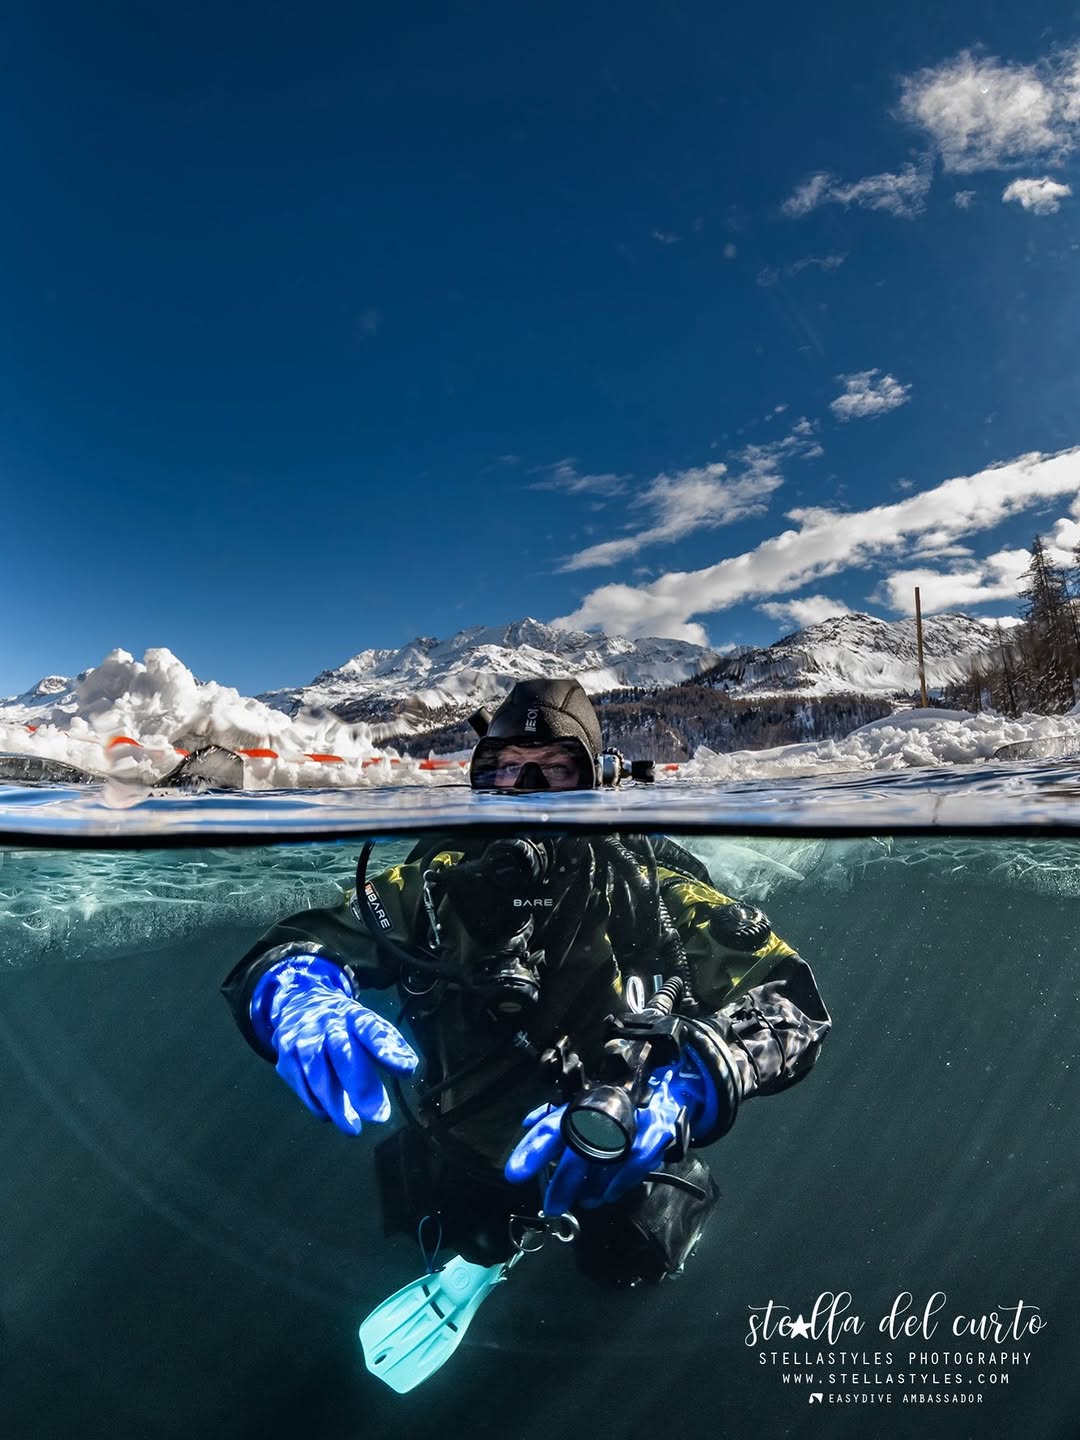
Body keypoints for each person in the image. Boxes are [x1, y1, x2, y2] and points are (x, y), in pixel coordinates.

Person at [222, 678, 831, 1391]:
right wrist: (294, 991)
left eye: (556, 771)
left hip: (614, 1151)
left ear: (598, 782)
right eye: (506, 769)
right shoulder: (437, 886)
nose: (528, 794)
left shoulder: (644, 891)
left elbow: (788, 995)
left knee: (629, 1260)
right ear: (478, 780)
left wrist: (693, 1080)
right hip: (469, 1147)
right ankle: (491, 1257)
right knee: (451, 1227)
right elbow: (305, 941)